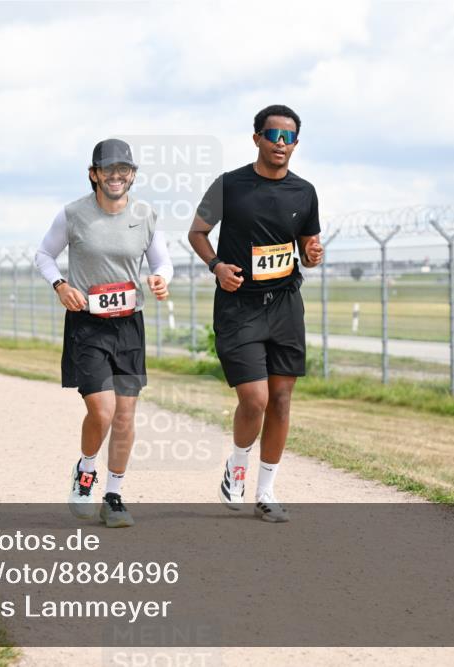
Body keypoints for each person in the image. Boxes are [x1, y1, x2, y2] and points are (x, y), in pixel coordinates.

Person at [188, 105, 323, 523]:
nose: (280, 144)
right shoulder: (228, 185)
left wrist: (314, 255)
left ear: (296, 144)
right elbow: (197, 233)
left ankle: (266, 491)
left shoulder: (305, 192)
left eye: (288, 138)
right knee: (255, 399)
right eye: (273, 135)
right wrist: (216, 266)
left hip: (284, 304)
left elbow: (308, 248)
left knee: (281, 400)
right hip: (238, 306)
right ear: (257, 139)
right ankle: (238, 463)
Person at [35, 138, 173, 528]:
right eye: (108, 170)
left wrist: (161, 279)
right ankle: (86, 469)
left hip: (130, 324)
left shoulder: (145, 214)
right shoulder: (74, 214)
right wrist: (61, 285)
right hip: (88, 323)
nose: (116, 176)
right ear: (93, 174)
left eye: (124, 170)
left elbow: (162, 261)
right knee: (103, 410)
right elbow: (43, 254)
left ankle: (113, 496)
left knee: (126, 416)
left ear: (132, 175)